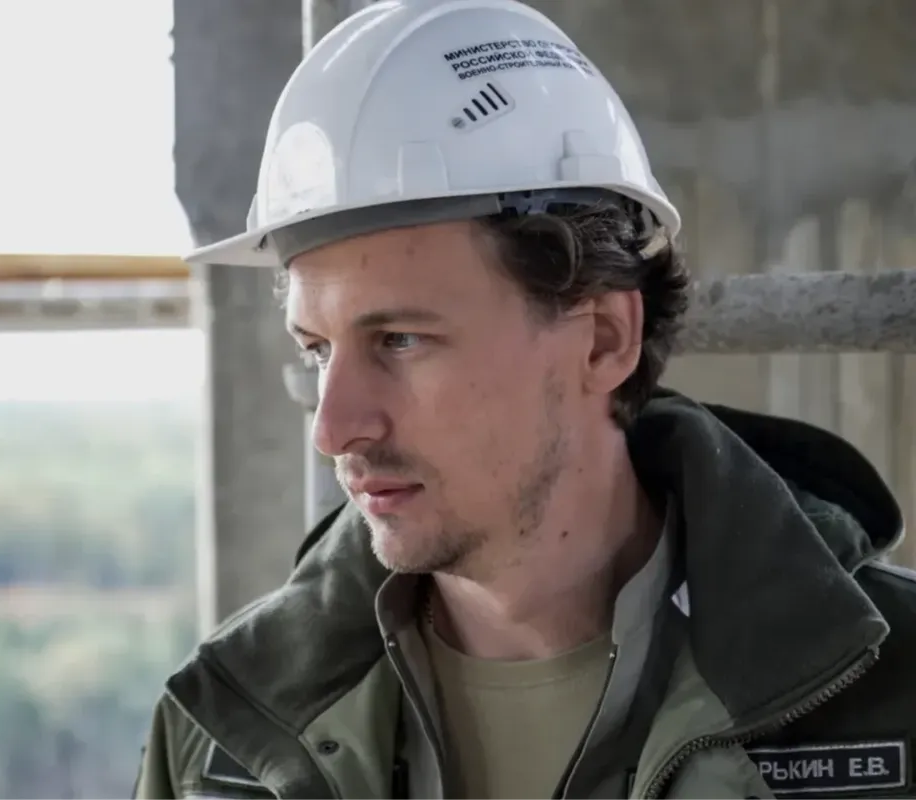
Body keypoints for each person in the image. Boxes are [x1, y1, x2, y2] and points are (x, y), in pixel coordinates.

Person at [133, 2, 916, 798]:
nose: (334, 429)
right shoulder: (222, 739)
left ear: (603, 339)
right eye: (318, 349)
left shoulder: (896, 698)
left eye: (400, 340)